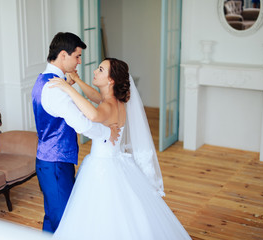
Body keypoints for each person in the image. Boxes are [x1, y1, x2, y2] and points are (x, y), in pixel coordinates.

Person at [49, 58, 191, 239]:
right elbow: (94, 96)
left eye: (100, 69)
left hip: (102, 165)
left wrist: (67, 87)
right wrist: (77, 81)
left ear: (110, 80)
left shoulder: (108, 106)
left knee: (102, 212)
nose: (95, 71)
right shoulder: (116, 101)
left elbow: (92, 114)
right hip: (117, 160)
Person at [31, 32, 119, 233]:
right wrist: (107, 133)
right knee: (65, 222)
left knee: (53, 216)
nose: (79, 62)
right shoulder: (56, 88)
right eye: (77, 56)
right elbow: (83, 125)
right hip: (56, 164)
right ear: (63, 55)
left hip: (49, 160)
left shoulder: (43, 80)